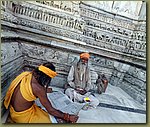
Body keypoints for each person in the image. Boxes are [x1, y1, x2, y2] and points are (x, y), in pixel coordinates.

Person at [4, 62, 78, 123]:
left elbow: (30, 90)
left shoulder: (26, 74)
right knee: (50, 120)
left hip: (12, 111)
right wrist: (67, 117)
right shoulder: (39, 89)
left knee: (42, 111)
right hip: (22, 117)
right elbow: (51, 110)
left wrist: (45, 90)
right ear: (46, 78)